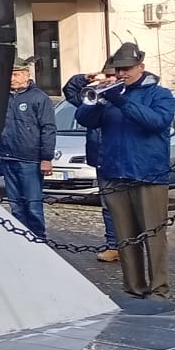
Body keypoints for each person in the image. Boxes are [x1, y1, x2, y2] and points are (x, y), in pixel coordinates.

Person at [74, 41, 175, 300]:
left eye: (127, 69)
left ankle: (159, 290)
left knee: (153, 235)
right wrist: (96, 102)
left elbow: (157, 123)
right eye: (118, 69)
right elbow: (84, 119)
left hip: (148, 174)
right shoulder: (109, 94)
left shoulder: (159, 94)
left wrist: (121, 102)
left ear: (141, 67)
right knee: (125, 237)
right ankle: (133, 287)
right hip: (114, 172)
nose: (121, 74)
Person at [0, 56, 56, 237]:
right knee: (16, 205)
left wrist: (46, 158)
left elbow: (48, 128)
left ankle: (38, 239)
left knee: (32, 204)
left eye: (16, 74)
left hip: (30, 159)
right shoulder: (2, 97)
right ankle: (20, 238)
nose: (12, 78)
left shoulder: (39, 98)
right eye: (9, 75)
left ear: (26, 75)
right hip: (6, 156)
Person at [64, 66, 119, 261]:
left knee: (127, 207)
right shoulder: (95, 97)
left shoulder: (125, 95)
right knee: (108, 206)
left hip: (122, 159)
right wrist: (87, 78)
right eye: (108, 76)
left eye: (114, 76)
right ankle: (113, 246)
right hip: (101, 159)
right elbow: (70, 92)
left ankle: (130, 244)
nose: (110, 79)